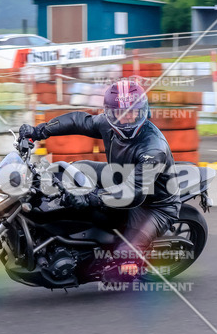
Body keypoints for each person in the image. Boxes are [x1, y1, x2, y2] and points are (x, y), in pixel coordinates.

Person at [19, 78, 180, 281]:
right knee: (73, 171)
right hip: (120, 176)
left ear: (143, 111)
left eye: (133, 112)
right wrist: (38, 131)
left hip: (152, 205)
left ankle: (132, 265)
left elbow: (133, 193)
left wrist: (91, 197)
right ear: (109, 113)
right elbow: (79, 121)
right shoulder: (107, 124)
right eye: (119, 113)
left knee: (121, 263)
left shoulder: (152, 149)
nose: (127, 118)